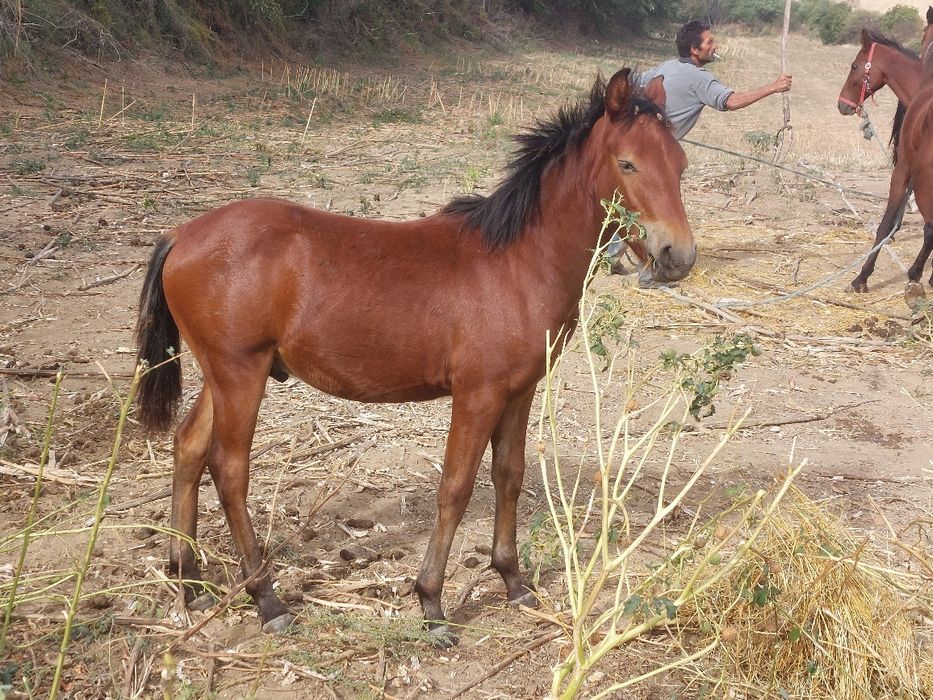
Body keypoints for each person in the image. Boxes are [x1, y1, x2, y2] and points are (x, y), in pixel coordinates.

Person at [607, 20, 792, 273]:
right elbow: (732, 102)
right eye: (710, 42)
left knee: (630, 200)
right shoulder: (699, 78)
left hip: (639, 154)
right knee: (658, 210)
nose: (715, 46)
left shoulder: (668, 66)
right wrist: (774, 87)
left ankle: (610, 257)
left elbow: (632, 83)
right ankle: (652, 273)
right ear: (695, 50)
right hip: (660, 159)